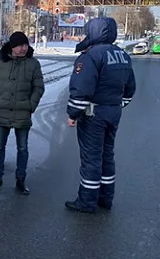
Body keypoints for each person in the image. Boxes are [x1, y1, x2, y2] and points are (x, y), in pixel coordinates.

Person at [64, 17, 136, 213]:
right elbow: (130, 90)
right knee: (107, 156)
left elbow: (81, 89)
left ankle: (86, 202)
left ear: (94, 32)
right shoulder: (123, 55)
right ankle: (105, 198)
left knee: (91, 158)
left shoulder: (90, 56)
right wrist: (115, 106)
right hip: (113, 113)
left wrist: (73, 114)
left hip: (93, 115)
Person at [0, 31, 45, 195]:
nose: (23, 48)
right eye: (20, 45)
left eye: (26, 45)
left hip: (22, 112)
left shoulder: (33, 64)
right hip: (2, 111)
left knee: (22, 148)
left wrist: (31, 105)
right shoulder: (0, 62)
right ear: (12, 47)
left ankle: (21, 180)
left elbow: (38, 87)